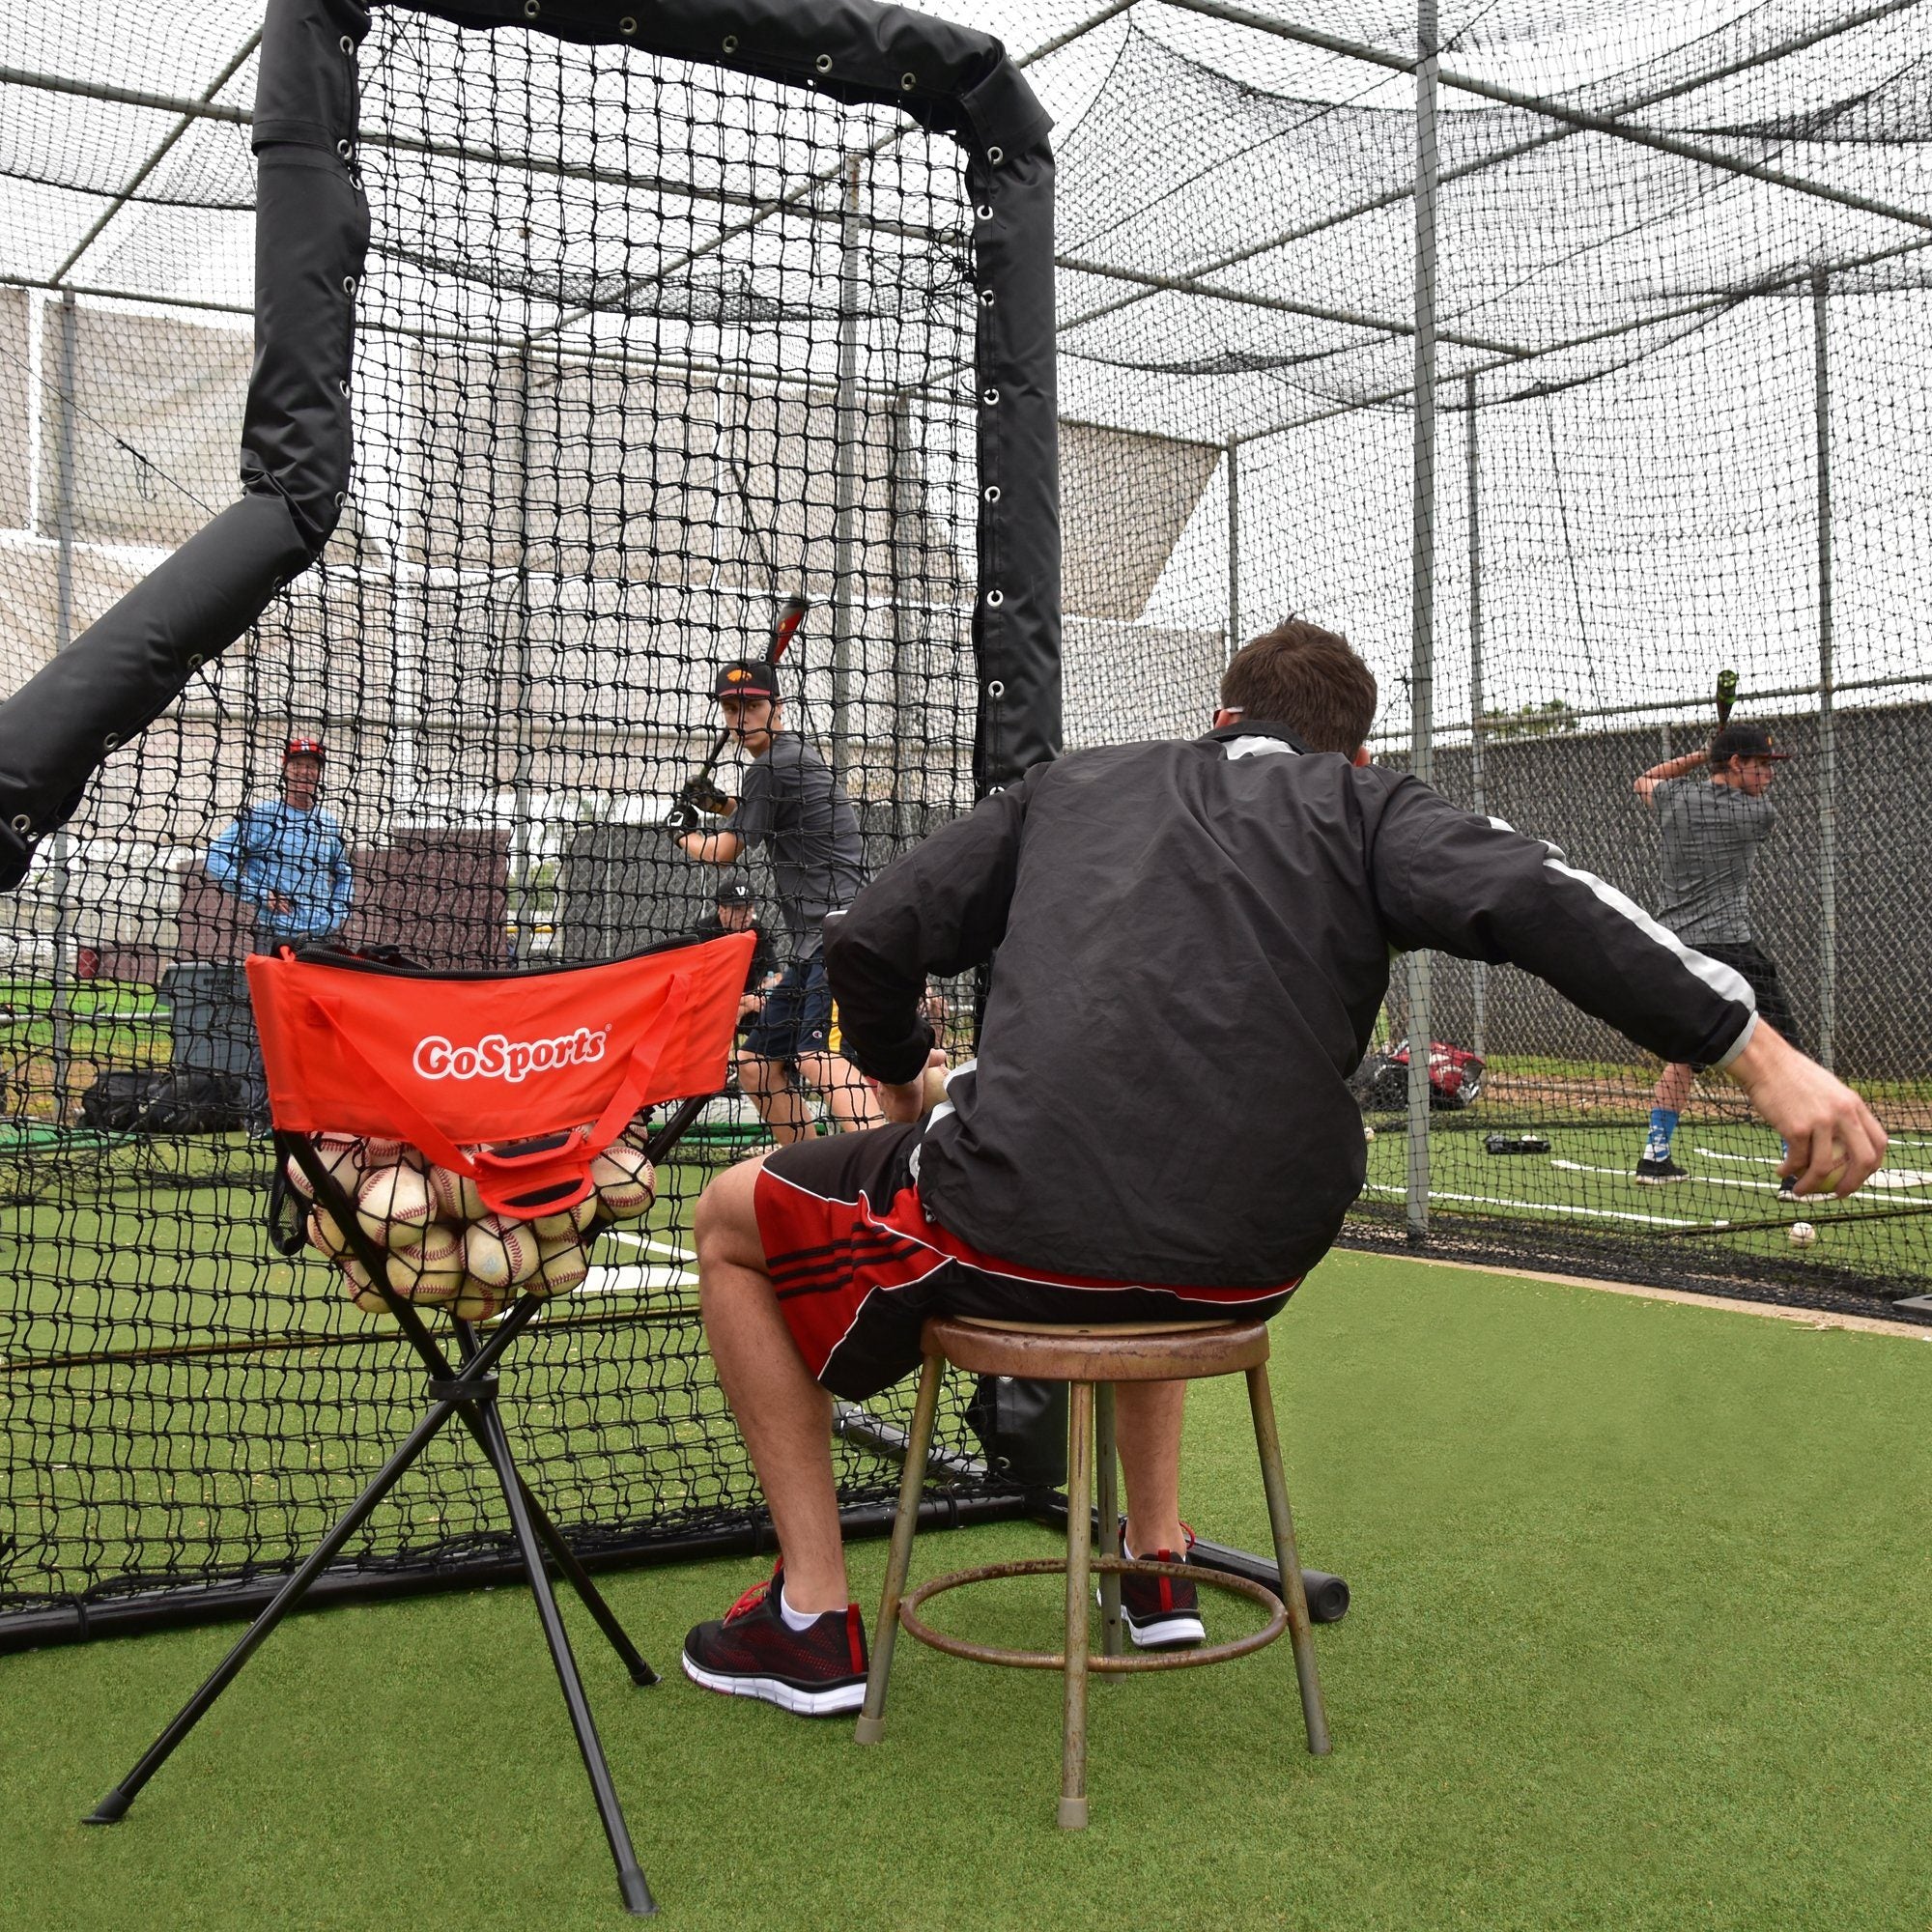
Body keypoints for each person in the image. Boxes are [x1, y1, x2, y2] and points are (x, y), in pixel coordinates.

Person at [674, 618, 1885, 1718]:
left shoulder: (1072, 786)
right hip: (1244, 1272)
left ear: (1217, 718)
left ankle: (809, 1617)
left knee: (726, 1217)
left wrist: (894, 1079)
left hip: (1017, 1232)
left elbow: (874, 934)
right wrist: (1759, 1056)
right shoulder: (1369, 810)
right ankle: (1154, 1563)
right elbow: (1537, 890)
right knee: (1163, 1179)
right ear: (1350, 753)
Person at [666, 661, 879, 1145]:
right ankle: (808, 1172)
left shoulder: (770, 766)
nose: (741, 719)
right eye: (731, 708)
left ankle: (882, 1170)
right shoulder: (788, 759)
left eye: (753, 706)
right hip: (814, 945)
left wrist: (682, 832)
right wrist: (719, 803)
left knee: (814, 1057)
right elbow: (764, 818)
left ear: (776, 708)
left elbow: (724, 854)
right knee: (757, 1065)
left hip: (839, 934)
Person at [1630, 722, 1801, 1184]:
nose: (1769, 775)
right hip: (1732, 950)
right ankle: (1795, 1172)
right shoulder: (1757, 815)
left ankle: (1655, 1157)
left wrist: (1699, 757)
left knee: (1687, 1055)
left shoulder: (1675, 800)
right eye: (1760, 765)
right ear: (1736, 764)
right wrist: (1715, 759)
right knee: (1781, 1051)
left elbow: (1644, 779)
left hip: (1677, 949)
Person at [203, 735, 353, 1128]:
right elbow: (217, 857)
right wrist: (259, 892)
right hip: (275, 936)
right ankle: (261, 1118)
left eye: (313, 766)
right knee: (269, 1025)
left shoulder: (327, 824)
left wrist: (335, 915)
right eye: (298, 764)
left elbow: (344, 874)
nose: (305, 772)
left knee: (320, 1025)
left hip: (320, 941)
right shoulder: (262, 818)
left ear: (319, 774)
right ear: (285, 770)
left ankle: (319, 1114)